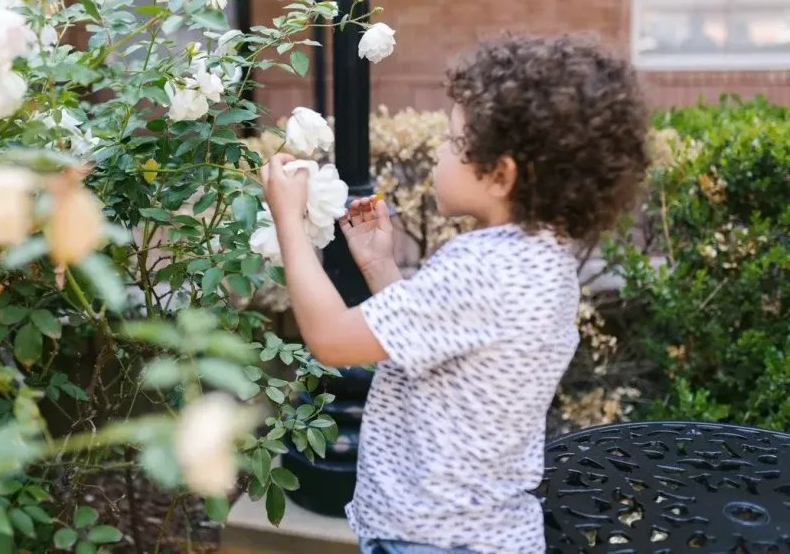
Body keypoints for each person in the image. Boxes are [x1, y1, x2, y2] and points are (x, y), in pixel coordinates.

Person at [260, 34, 651, 553]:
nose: (440, 152)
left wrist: (287, 220)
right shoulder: (542, 260)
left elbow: (332, 340)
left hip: (430, 538)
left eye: (452, 140)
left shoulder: (482, 267)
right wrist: (379, 264)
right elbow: (436, 349)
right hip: (486, 532)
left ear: (501, 174)